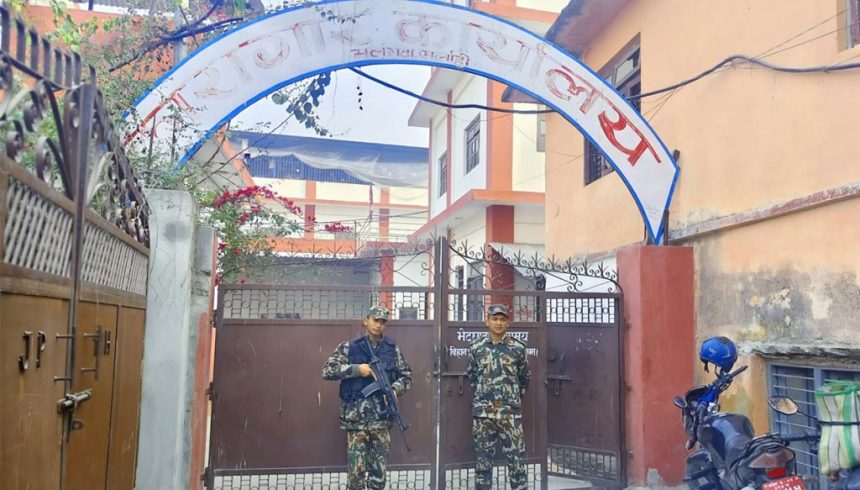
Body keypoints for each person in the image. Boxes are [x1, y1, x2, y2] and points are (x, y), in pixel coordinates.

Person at [321, 305, 413, 490]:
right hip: (357, 422)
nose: (379, 325)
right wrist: (356, 369)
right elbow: (328, 371)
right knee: (356, 475)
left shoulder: (392, 349)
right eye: (375, 320)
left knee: (379, 475)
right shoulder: (349, 347)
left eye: (383, 322)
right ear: (366, 321)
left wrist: (395, 389)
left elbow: (407, 375)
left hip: (381, 421)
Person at [467, 303, 531, 490]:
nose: (498, 323)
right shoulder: (476, 348)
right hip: (483, 415)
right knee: (483, 463)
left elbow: (525, 378)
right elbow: (472, 376)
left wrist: (511, 398)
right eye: (494, 319)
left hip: (510, 415)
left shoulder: (518, 348)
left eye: (502, 319)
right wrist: (484, 396)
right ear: (487, 321)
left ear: (508, 323)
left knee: (516, 462)